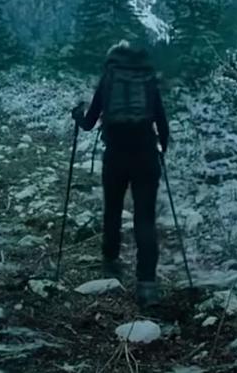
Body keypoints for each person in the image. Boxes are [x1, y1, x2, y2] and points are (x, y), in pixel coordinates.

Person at [72, 40, 169, 307]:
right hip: (146, 156)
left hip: (116, 155)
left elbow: (90, 122)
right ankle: (147, 284)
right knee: (145, 219)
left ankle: (111, 263)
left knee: (112, 209)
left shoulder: (108, 79)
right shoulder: (147, 79)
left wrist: (77, 115)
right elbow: (162, 121)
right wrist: (161, 149)